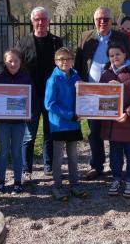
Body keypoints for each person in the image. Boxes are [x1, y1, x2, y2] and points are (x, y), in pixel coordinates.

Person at [75, 6, 130, 180]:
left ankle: (117, 166)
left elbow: (129, 60)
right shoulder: (86, 37)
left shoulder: (121, 37)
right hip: (92, 95)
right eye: (99, 19)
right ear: (94, 21)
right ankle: (97, 165)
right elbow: (78, 64)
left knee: (115, 130)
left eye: (106, 19)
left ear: (111, 21)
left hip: (113, 94)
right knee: (95, 132)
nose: (102, 22)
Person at [16, 7, 63, 181]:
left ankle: (48, 165)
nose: (40, 22)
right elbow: (17, 67)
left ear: (48, 21)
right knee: (29, 135)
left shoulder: (57, 42)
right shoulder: (23, 42)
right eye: (37, 19)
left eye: (43, 19)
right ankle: (26, 169)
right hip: (31, 96)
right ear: (32, 21)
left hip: (51, 95)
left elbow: (64, 66)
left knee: (49, 133)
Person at [99, 42, 130, 198]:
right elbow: (98, 96)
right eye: (111, 55)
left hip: (127, 122)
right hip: (111, 124)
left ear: (125, 55)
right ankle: (116, 179)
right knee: (114, 153)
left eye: (117, 54)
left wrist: (127, 113)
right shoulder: (105, 75)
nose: (115, 57)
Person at [45, 47, 88, 201]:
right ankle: (57, 186)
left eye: (68, 58)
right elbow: (50, 104)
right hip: (59, 124)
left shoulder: (77, 77)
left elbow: (84, 96)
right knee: (57, 158)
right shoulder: (53, 80)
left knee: (73, 156)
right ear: (56, 62)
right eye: (61, 59)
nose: (65, 62)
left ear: (73, 61)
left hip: (74, 124)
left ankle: (75, 185)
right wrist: (70, 115)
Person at [0, 49, 33, 195]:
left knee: (17, 152)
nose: (13, 63)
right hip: (2, 122)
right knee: (3, 152)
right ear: (5, 62)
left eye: (16, 60)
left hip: (19, 122)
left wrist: (29, 111)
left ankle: (18, 182)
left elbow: (31, 97)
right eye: (10, 60)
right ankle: (0, 182)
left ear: (20, 62)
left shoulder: (26, 79)